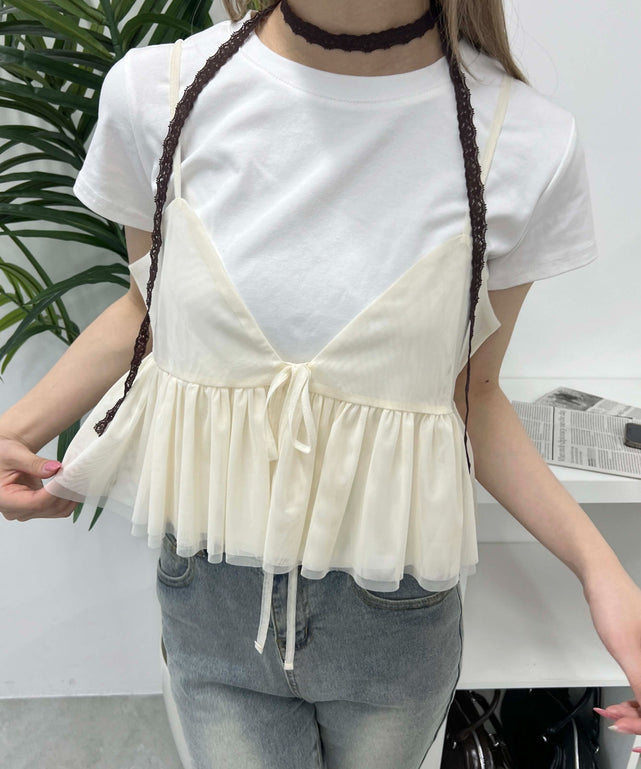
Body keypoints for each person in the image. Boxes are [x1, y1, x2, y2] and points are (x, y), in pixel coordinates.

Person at [1, 1, 640, 767]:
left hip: (393, 620)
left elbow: (472, 395)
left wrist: (602, 574)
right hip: (211, 605)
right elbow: (148, 306)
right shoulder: (157, 93)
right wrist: (18, 428)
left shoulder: (523, 141)